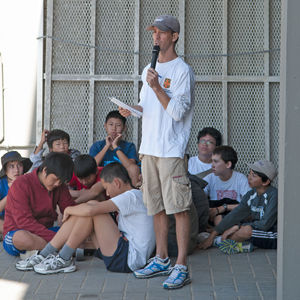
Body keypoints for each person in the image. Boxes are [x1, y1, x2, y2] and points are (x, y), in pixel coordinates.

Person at [120, 15, 195, 289]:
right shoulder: (147, 69)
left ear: (174, 36)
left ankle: (182, 265)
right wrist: (131, 109)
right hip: (148, 149)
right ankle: (162, 258)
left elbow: (176, 112)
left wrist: (156, 85)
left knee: (179, 208)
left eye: (162, 33)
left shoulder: (182, 70)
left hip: (171, 150)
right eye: (154, 33)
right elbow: (146, 108)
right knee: (157, 207)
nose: (156, 38)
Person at [15, 163, 155, 275]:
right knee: (89, 209)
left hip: (128, 259)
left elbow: (90, 210)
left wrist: (69, 209)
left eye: (106, 188)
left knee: (92, 209)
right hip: (122, 253)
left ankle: (63, 258)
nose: (107, 193)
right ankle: (45, 254)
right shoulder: (132, 196)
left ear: (117, 183)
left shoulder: (131, 196)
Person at [3, 152, 76, 256]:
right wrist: (58, 239)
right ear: (45, 170)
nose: (57, 184)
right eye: (55, 179)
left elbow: (70, 208)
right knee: (22, 238)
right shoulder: (20, 184)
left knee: (79, 229)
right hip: (18, 232)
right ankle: (66, 249)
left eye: (61, 181)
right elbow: (24, 222)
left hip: (46, 231)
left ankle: (49, 251)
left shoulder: (60, 186)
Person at [199, 160, 278, 254]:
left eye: (254, 176)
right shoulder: (251, 194)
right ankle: (238, 244)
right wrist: (212, 235)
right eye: (249, 173)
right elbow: (235, 215)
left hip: (273, 235)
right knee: (223, 221)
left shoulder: (274, 195)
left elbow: (265, 224)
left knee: (246, 230)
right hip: (257, 230)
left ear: (265, 182)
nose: (249, 177)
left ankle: (218, 241)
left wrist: (237, 227)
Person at [89, 110, 140, 186]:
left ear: (124, 128)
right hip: (103, 180)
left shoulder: (129, 146)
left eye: (118, 125)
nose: (114, 128)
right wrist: (107, 146)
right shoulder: (97, 146)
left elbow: (131, 167)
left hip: (122, 180)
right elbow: (91, 166)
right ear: (105, 126)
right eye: (111, 124)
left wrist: (115, 146)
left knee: (134, 168)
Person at [204, 146, 251, 226]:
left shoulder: (240, 179)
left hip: (233, 216)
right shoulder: (209, 178)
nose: (212, 165)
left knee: (219, 220)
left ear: (228, 164)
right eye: (212, 161)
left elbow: (249, 205)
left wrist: (223, 208)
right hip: (213, 216)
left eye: (216, 161)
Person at [187, 127, 222, 232]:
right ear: (197, 143)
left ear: (217, 147)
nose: (204, 144)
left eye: (210, 142)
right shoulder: (187, 162)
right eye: (202, 141)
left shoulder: (220, 166)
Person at [0, 151, 32, 235]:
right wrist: (11, 192)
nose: (16, 170)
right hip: (5, 220)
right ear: (5, 171)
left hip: (26, 219)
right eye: (11, 166)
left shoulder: (28, 181)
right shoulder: (1, 184)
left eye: (19, 165)